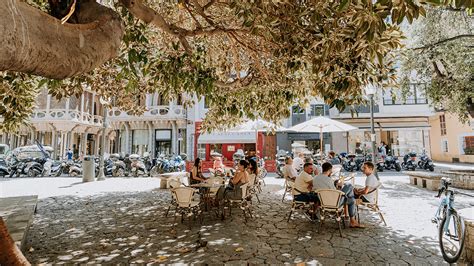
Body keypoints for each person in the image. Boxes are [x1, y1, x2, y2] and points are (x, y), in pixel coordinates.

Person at [313, 162, 362, 228]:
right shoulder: (328, 179)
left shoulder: (315, 178)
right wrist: (339, 187)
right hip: (334, 203)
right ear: (330, 170)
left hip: (323, 203)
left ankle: (352, 220)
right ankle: (352, 221)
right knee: (349, 187)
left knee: (351, 198)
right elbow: (335, 192)